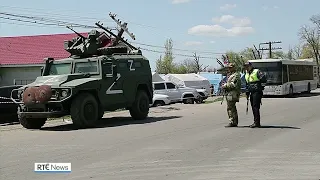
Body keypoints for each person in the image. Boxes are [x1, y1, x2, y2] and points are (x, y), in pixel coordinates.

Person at [243, 62, 267, 128]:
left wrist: (261, 88)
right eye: (245, 66)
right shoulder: (247, 74)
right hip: (251, 92)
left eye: (247, 66)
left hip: (257, 92)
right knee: (253, 107)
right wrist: (247, 92)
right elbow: (247, 84)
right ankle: (256, 122)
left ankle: (257, 123)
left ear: (251, 66)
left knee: (256, 107)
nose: (246, 68)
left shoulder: (257, 71)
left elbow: (264, 79)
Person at [221, 63, 242, 127]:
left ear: (234, 68)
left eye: (230, 67)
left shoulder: (236, 75)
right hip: (230, 93)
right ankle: (234, 121)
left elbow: (233, 85)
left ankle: (232, 121)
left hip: (233, 93)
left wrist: (225, 85)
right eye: (229, 68)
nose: (229, 69)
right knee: (232, 108)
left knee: (230, 108)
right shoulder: (231, 75)